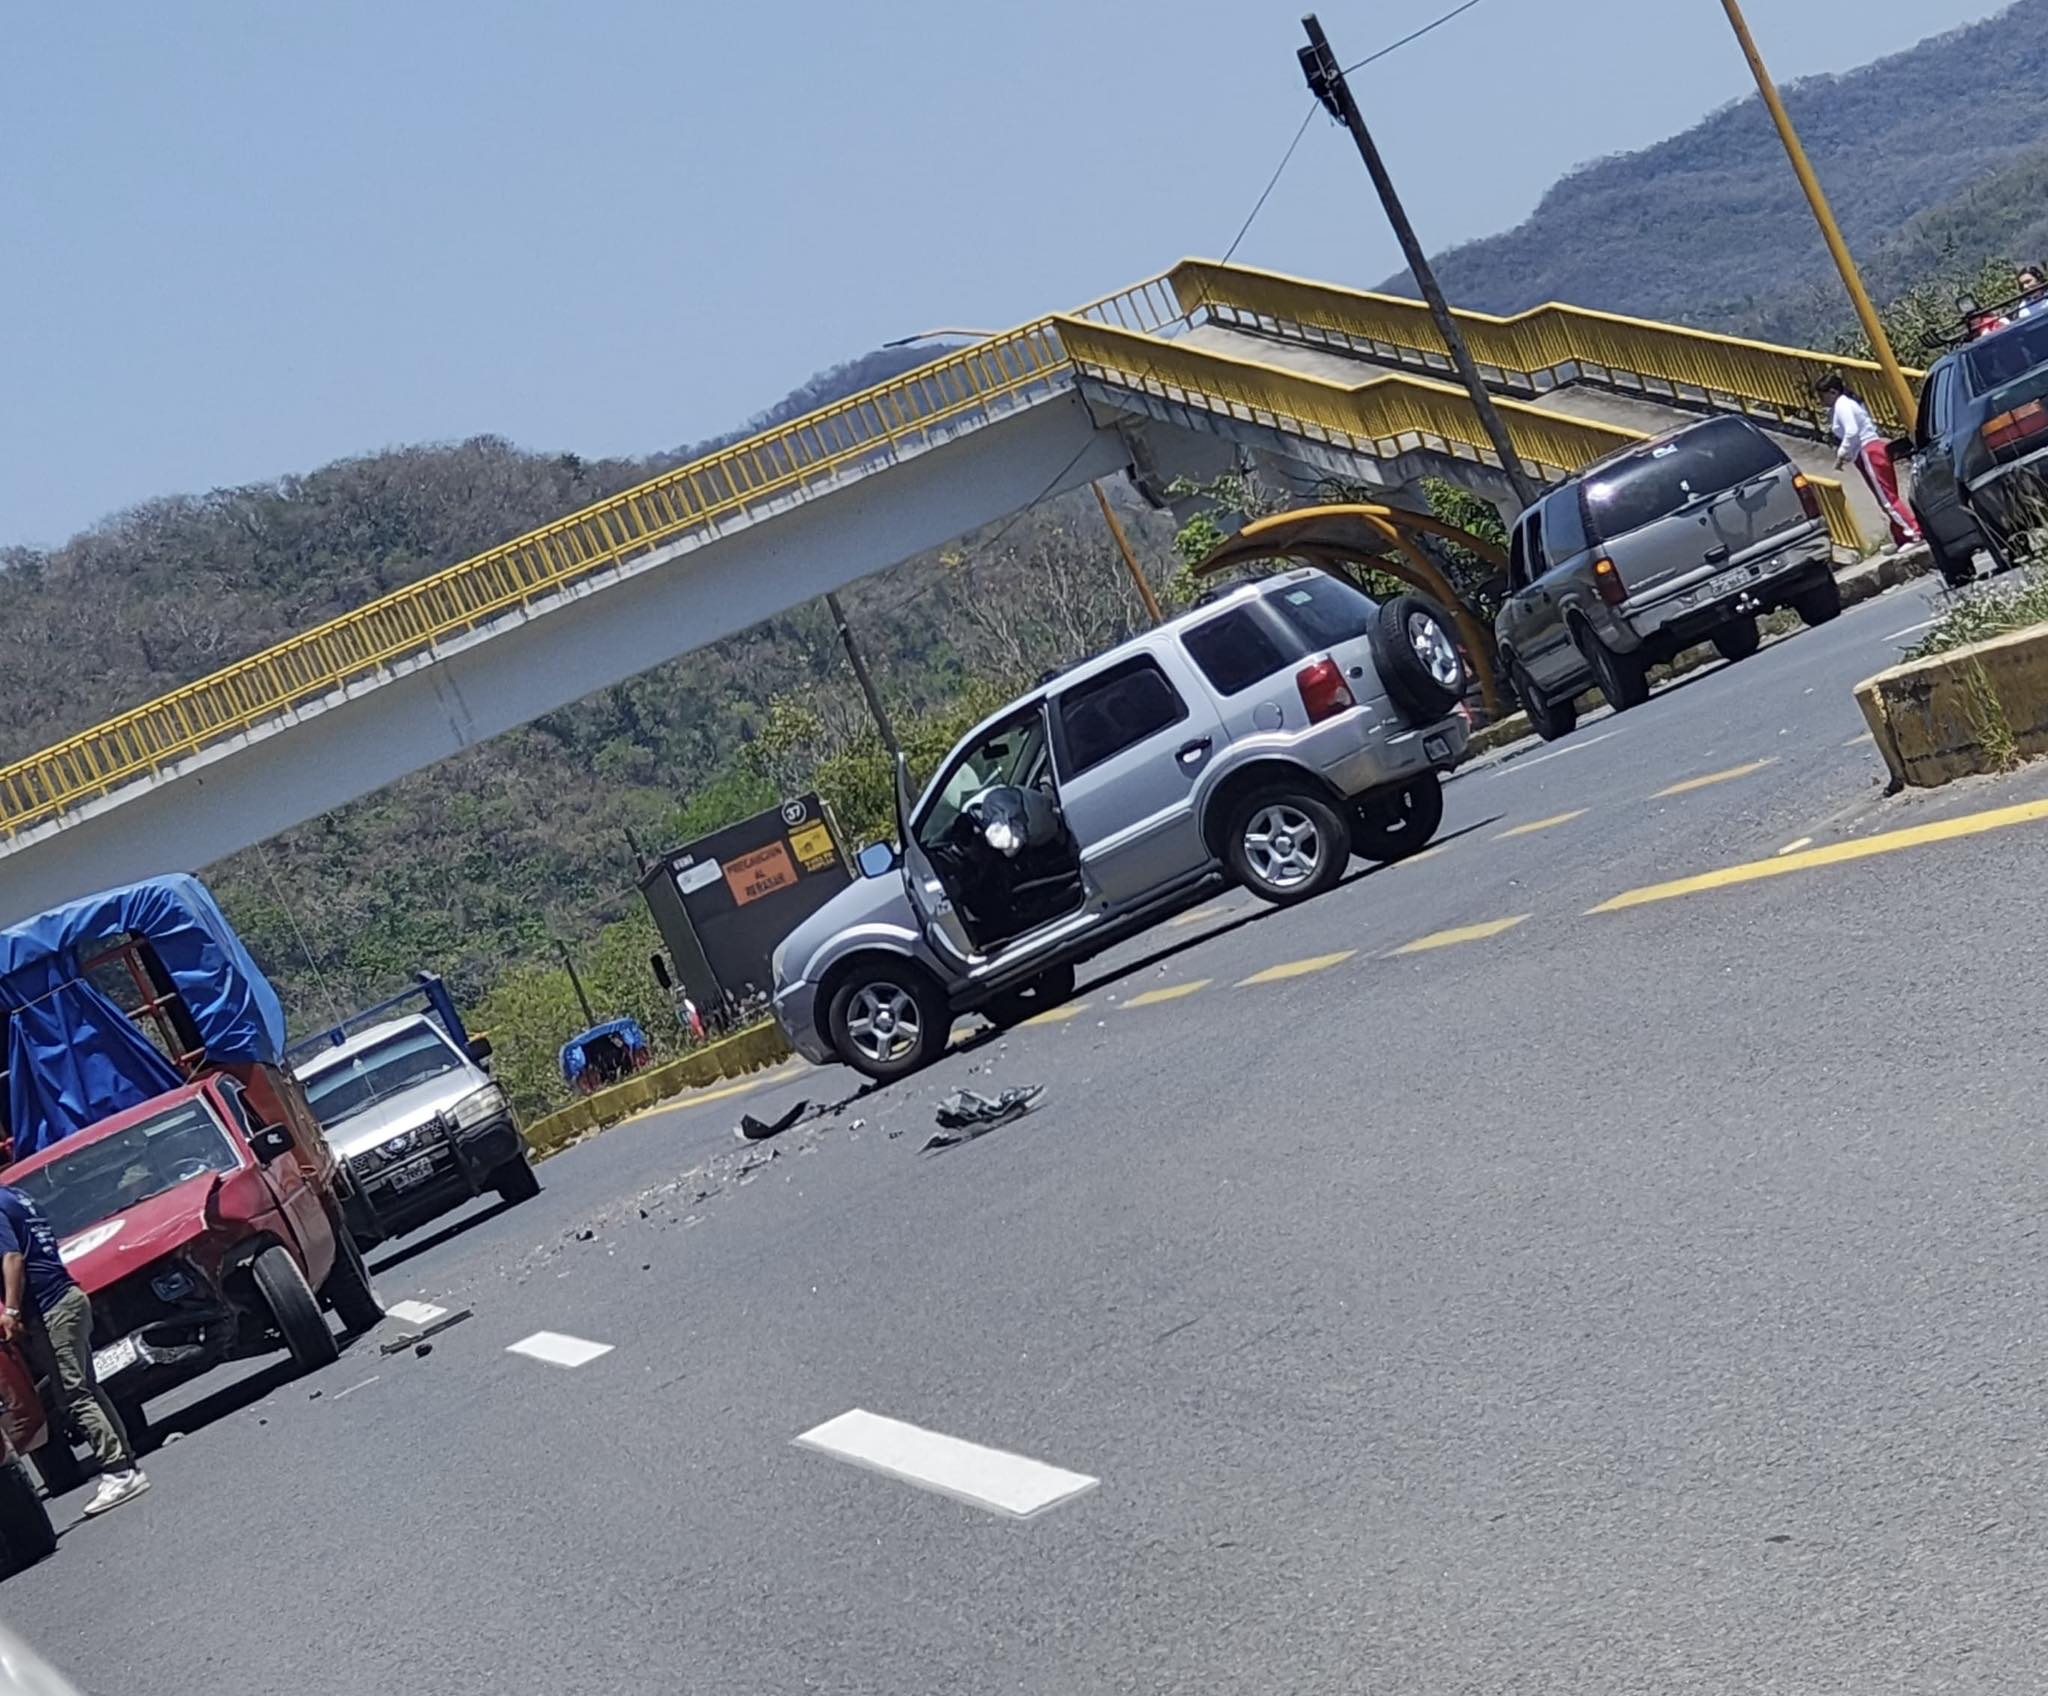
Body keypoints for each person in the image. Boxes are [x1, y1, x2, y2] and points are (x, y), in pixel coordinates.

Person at [0, 1183, 148, 1516]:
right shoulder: (17, 1196)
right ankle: (125, 1464)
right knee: (87, 1389)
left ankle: (118, 1472)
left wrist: (10, 1311)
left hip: (52, 1307)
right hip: (68, 1298)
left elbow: (11, 1257)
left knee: (74, 1394)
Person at [1817, 373, 1919, 549]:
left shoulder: (1842, 405)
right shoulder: (1846, 404)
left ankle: (1914, 531)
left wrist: (1842, 454)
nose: (1821, 400)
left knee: (1886, 498)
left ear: (1832, 392)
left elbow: (1851, 431)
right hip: (1871, 450)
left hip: (1867, 452)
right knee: (1886, 496)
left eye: (1822, 395)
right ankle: (1901, 535)